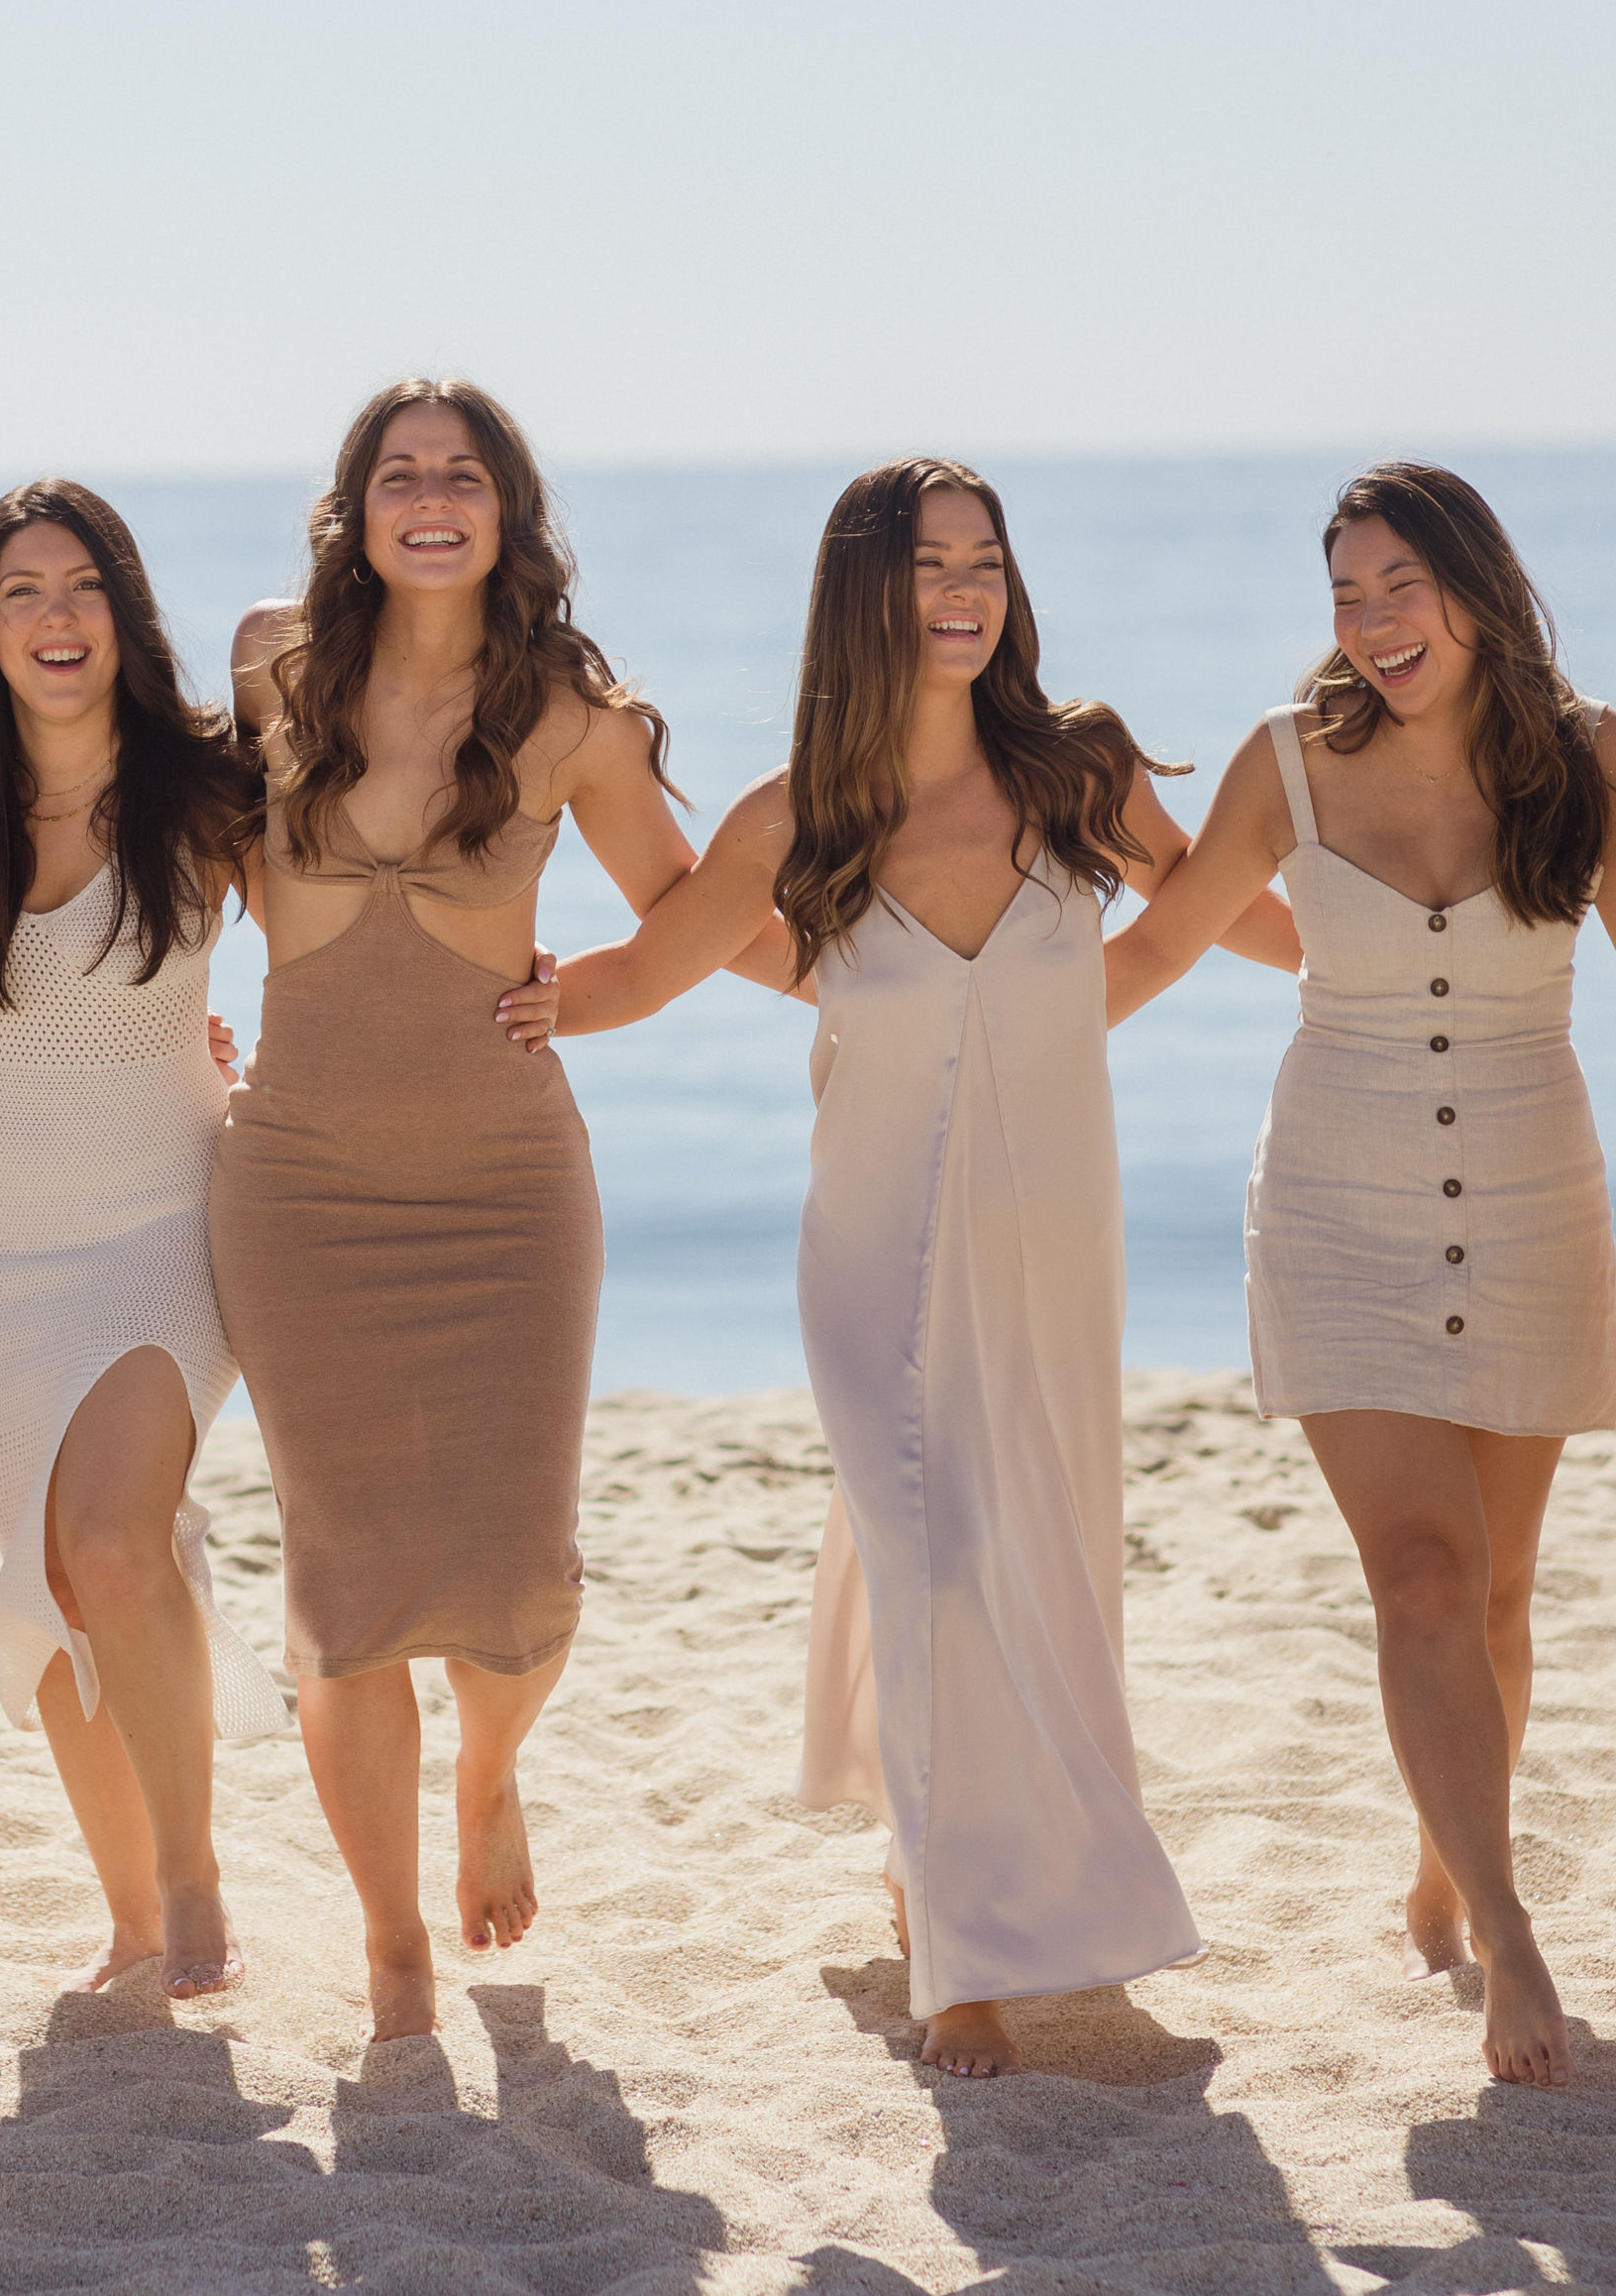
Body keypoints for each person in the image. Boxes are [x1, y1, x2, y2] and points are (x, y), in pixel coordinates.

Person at [544, 457, 1291, 2078]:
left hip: (1052, 1242)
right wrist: (491, 997)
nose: (963, 591)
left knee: (1044, 1558)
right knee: (935, 1554)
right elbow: (641, 969)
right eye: (929, 565)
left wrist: (1404, 944)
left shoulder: (1076, 768)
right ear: (864, 597)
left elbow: (1224, 917)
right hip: (871, 1250)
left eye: (986, 562)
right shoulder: (796, 811)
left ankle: (936, 1862)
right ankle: (963, 1955)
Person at [1104, 462, 1616, 2088]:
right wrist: (955, 1052)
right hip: (1337, 1209)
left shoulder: (1589, 761)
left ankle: (1453, 1856)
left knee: (1502, 1596)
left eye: (1399, 587)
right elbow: (1155, 949)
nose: (1372, 626)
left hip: (1530, 1199)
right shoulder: (1287, 764)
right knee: (1426, 1579)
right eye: (1345, 597)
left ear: (1475, 587)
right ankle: (1512, 1936)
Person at [212, 379, 691, 2045]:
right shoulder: (275, 661)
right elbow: (190, 863)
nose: (432, 499)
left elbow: (685, 917)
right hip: (295, 1184)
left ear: (507, 512)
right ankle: (392, 1940)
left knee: (511, 1572)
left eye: (462, 477)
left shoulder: (568, 711)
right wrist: (155, 1029)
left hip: (505, 1188)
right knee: (345, 1585)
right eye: (400, 476)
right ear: (360, 511)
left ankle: (491, 1771)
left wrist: (588, 1000)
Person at [0, 479, 286, 1999]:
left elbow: (338, 878)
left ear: (124, 614)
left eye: (82, 589)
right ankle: (130, 1919)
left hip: (162, 1230)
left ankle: (194, 1887)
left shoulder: (201, 788)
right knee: (53, 1576)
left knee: (119, 1544)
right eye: (21, 595)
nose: (54, 620)